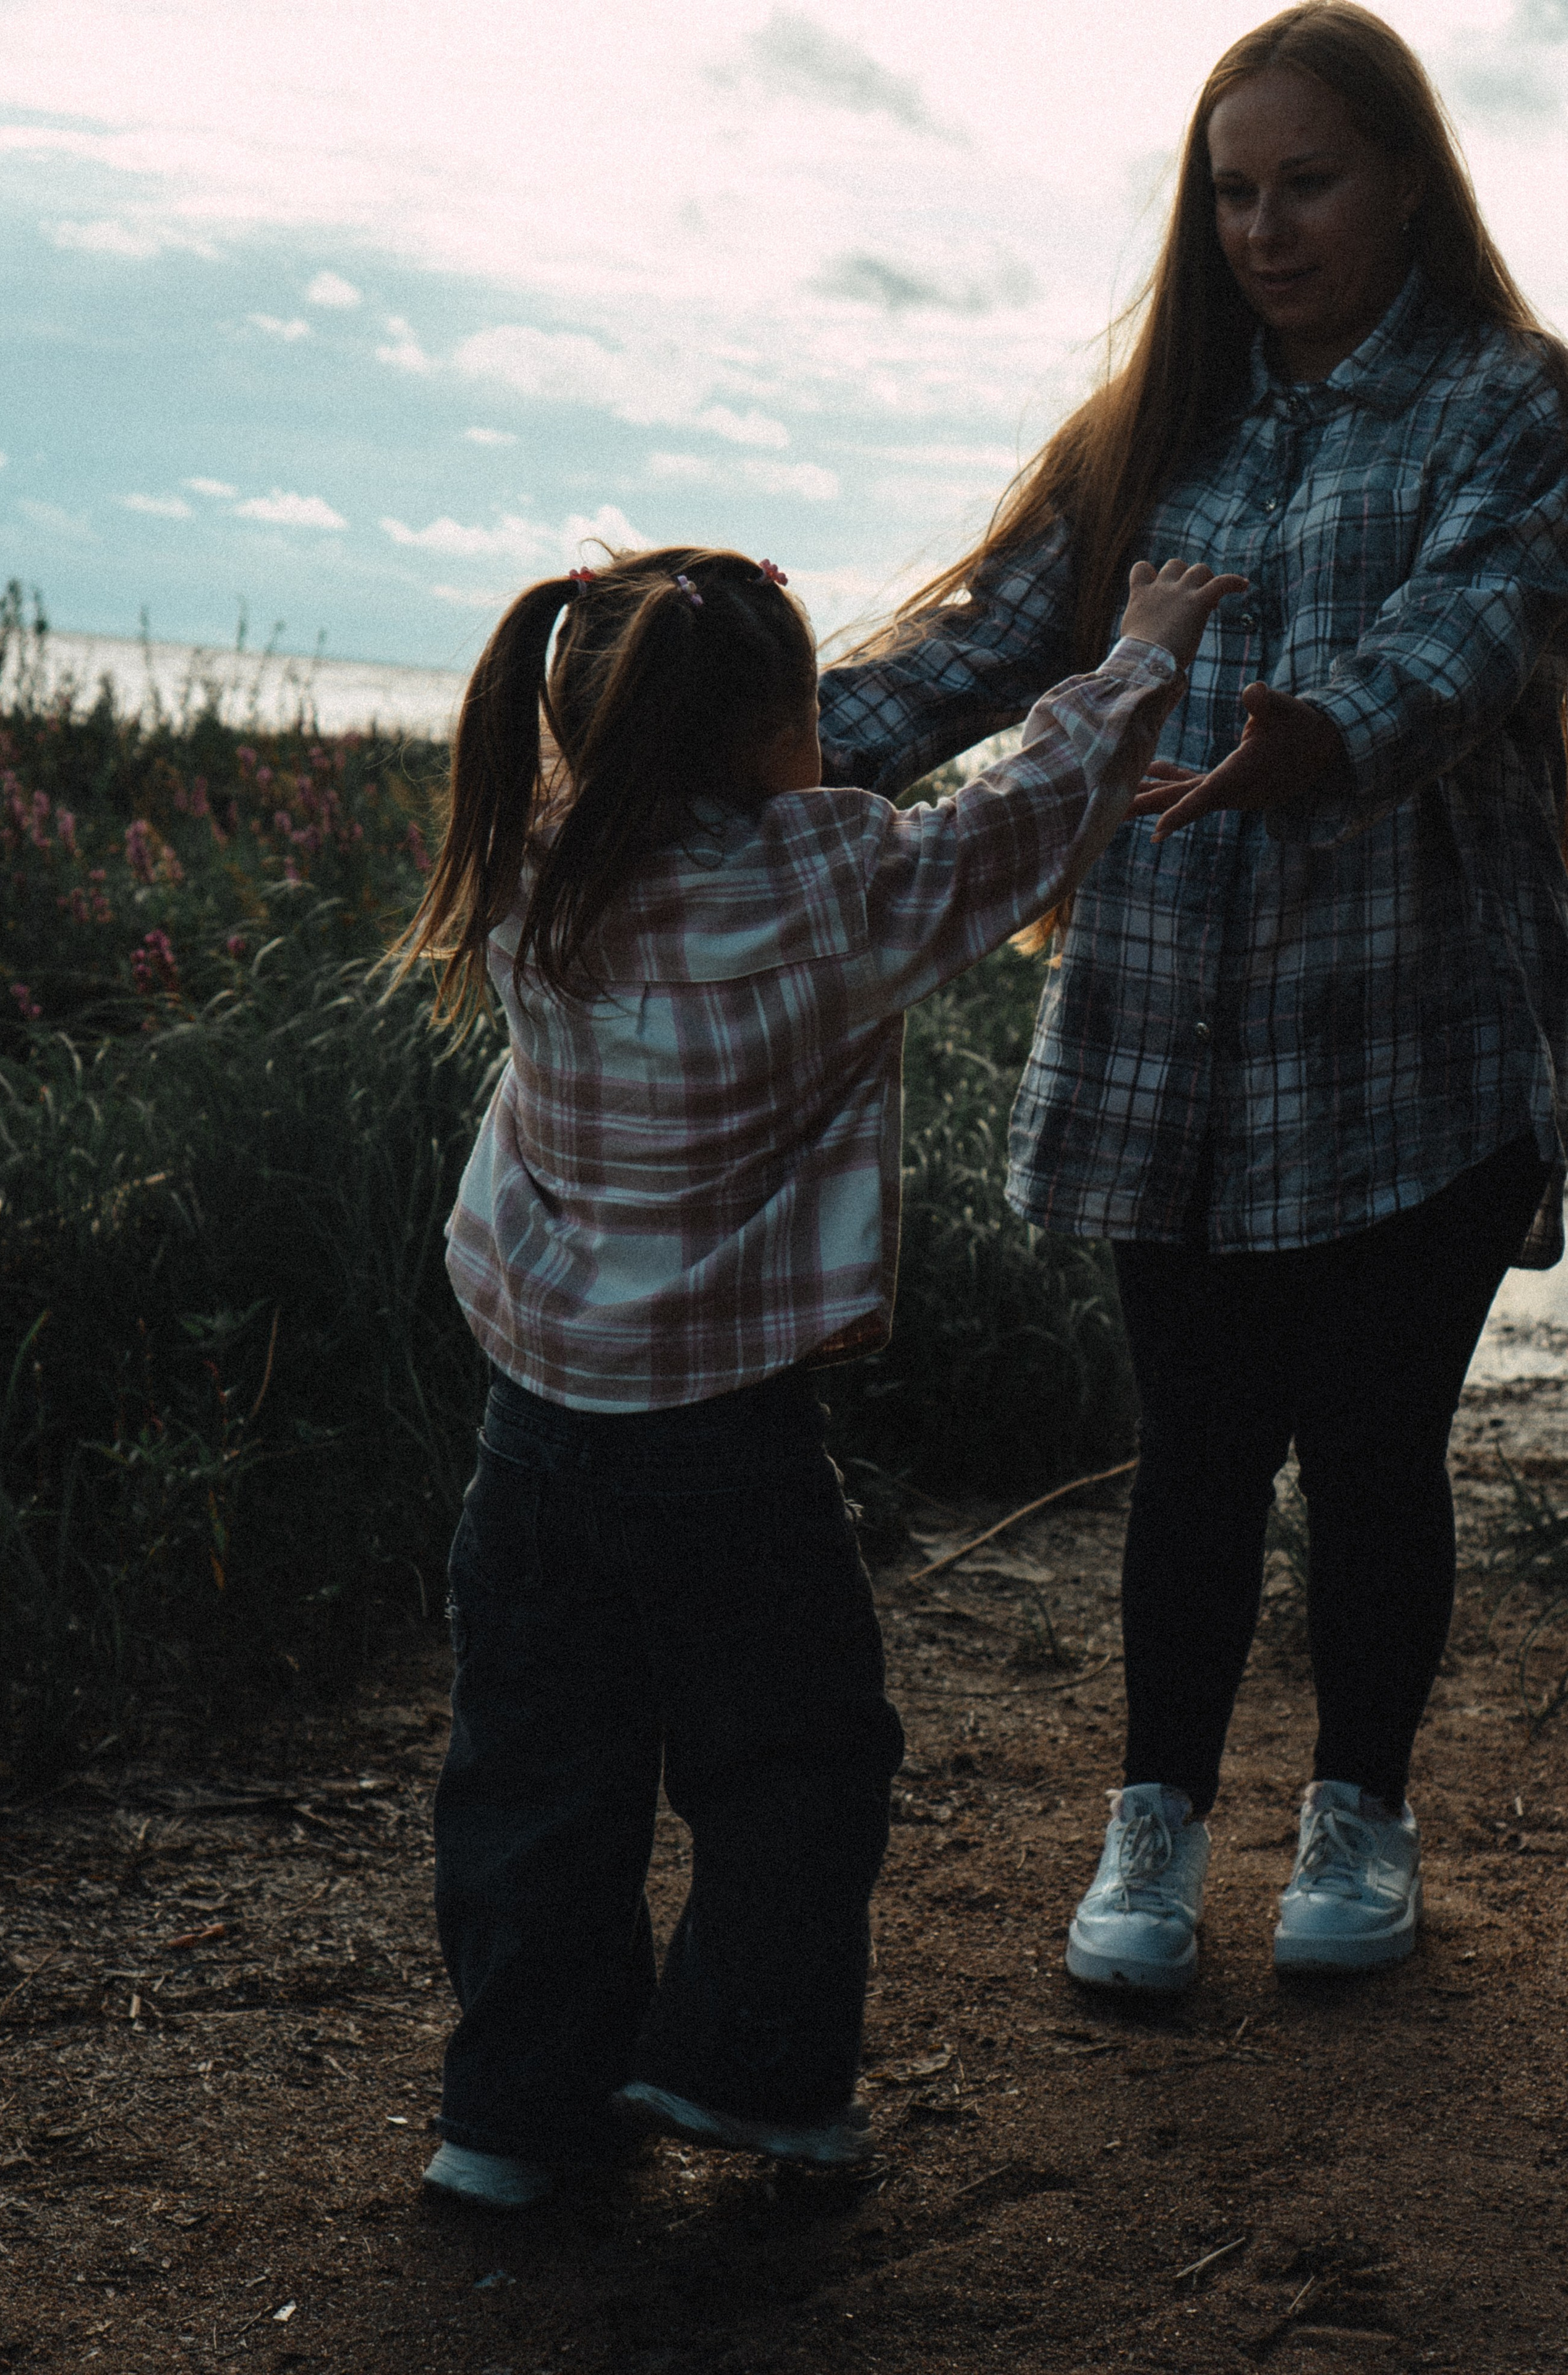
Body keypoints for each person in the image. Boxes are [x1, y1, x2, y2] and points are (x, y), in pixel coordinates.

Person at [819, 1, 1568, 1991]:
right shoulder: (1158, 423)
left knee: (1382, 1447)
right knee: (1201, 1450)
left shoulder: (1510, 403)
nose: (1263, 226)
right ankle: (1151, 1832)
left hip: (1415, 1045)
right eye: (1232, 191)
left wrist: (1310, 740)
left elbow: (1474, 633)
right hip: (1162, 1049)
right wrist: (724, 755)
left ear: (1408, 176)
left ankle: (1362, 1816)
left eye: (1307, 182)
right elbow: (965, 660)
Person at [389, 544, 1240, 2206]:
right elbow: (1022, 816)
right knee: (796, 1759)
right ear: (790, 732)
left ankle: (511, 2119)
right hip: (726, 1444)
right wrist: (1141, 654)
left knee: (534, 1774)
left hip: (537, 1429)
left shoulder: (530, 864)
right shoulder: (836, 883)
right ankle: (753, 2073)